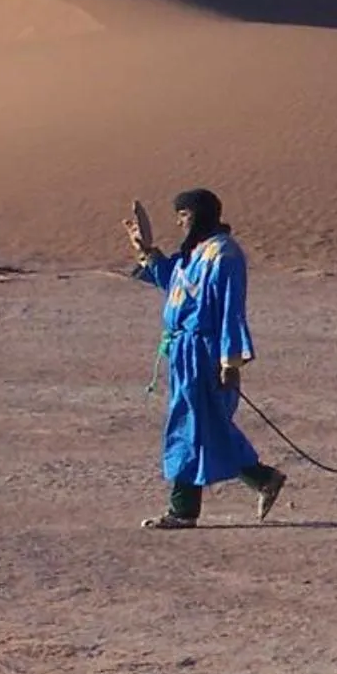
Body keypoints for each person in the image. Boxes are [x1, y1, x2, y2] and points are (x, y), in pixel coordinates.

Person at [124, 188, 287, 529]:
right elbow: (173, 283)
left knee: (191, 424)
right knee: (202, 424)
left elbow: (231, 310)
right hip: (183, 352)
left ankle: (183, 511)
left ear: (199, 214)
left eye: (184, 215)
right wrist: (146, 250)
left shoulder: (224, 254)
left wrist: (230, 361)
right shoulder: (195, 252)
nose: (179, 222)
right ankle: (261, 478)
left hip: (205, 354)